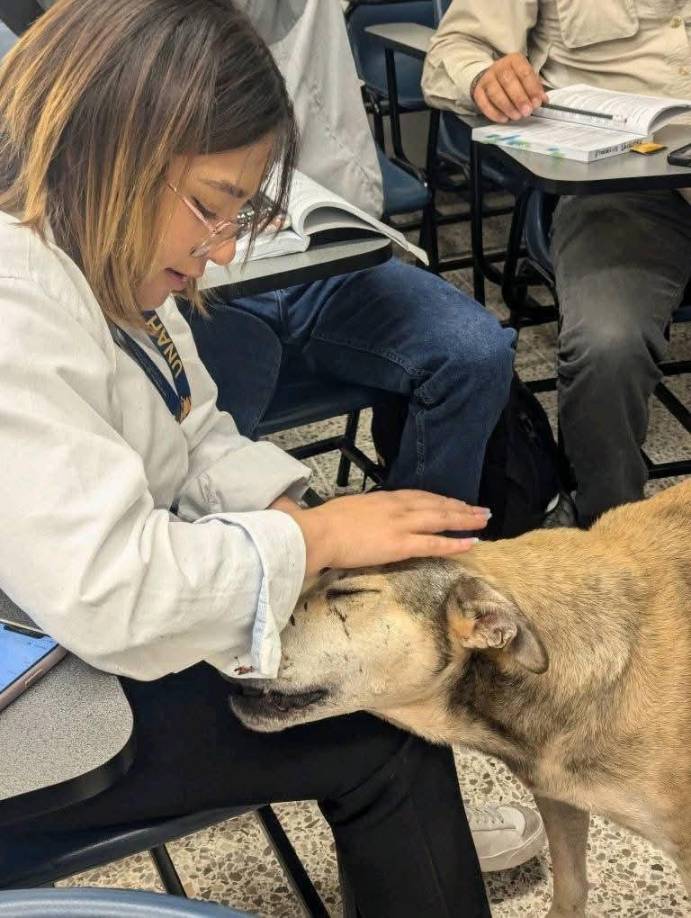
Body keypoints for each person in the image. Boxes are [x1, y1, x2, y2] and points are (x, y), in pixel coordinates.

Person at [0, 1, 502, 914]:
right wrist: (313, 546)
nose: (222, 249)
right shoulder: (12, 300)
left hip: (53, 626)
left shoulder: (89, 257)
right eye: (210, 208)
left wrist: (292, 520)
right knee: (386, 738)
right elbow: (118, 593)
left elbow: (193, 428)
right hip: (33, 702)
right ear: (106, 146)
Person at [182, 0, 546, 871]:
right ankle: (262, 667)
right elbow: (186, 447)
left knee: (470, 350)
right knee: (207, 416)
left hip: (324, 243)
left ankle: (405, 606)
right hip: (197, 263)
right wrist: (298, 532)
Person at [422, 0, 691, 528]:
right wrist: (484, 78)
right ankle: (609, 534)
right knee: (606, 346)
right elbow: (451, 53)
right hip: (626, 189)